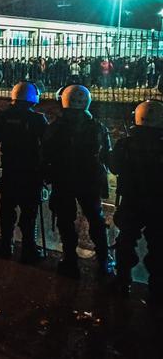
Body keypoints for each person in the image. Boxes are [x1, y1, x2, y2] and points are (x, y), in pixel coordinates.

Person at [41, 85, 114, 278]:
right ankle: (104, 260)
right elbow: (108, 157)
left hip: (63, 180)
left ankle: (70, 259)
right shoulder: (98, 127)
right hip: (89, 181)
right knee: (96, 219)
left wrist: (45, 175)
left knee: (65, 220)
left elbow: (44, 154)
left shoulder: (55, 127)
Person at [110, 100, 163, 301]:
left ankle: (122, 281)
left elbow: (114, 168)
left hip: (131, 201)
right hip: (158, 203)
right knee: (158, 245)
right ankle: (157, 287)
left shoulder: (125, 144)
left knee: (125, 242)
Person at [0, 82, 47, 263]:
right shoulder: (38, 119)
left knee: (7, 209)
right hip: (31, 172)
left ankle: (6, 245)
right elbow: (47, 142)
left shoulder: (4, 115)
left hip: (10, 169)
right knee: (29, 213)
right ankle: (29, 249)